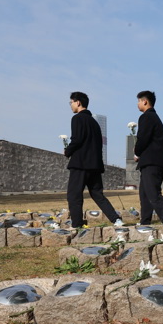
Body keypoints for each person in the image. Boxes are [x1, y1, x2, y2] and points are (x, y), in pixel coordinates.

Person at [65, 92, 121, 228]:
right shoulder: (95, 123)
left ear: (78, 102)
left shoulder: (77, 119)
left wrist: (68, 151)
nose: (70, 105)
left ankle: (77, 225)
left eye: (71, 102)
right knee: (97, 194)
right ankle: (116, 220)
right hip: (94, 165)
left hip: (80, 164)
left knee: (74, 195)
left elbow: (77, 139)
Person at [133, 90, 163, 225]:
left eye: (139, 101)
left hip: (152, 162)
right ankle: (145, 222)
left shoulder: (146, 117)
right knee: (145, 195)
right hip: (153, 162)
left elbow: (143, 138)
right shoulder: (155, 118)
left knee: (153, 194)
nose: (138, 104)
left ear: (145, 101)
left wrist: (137, 152)